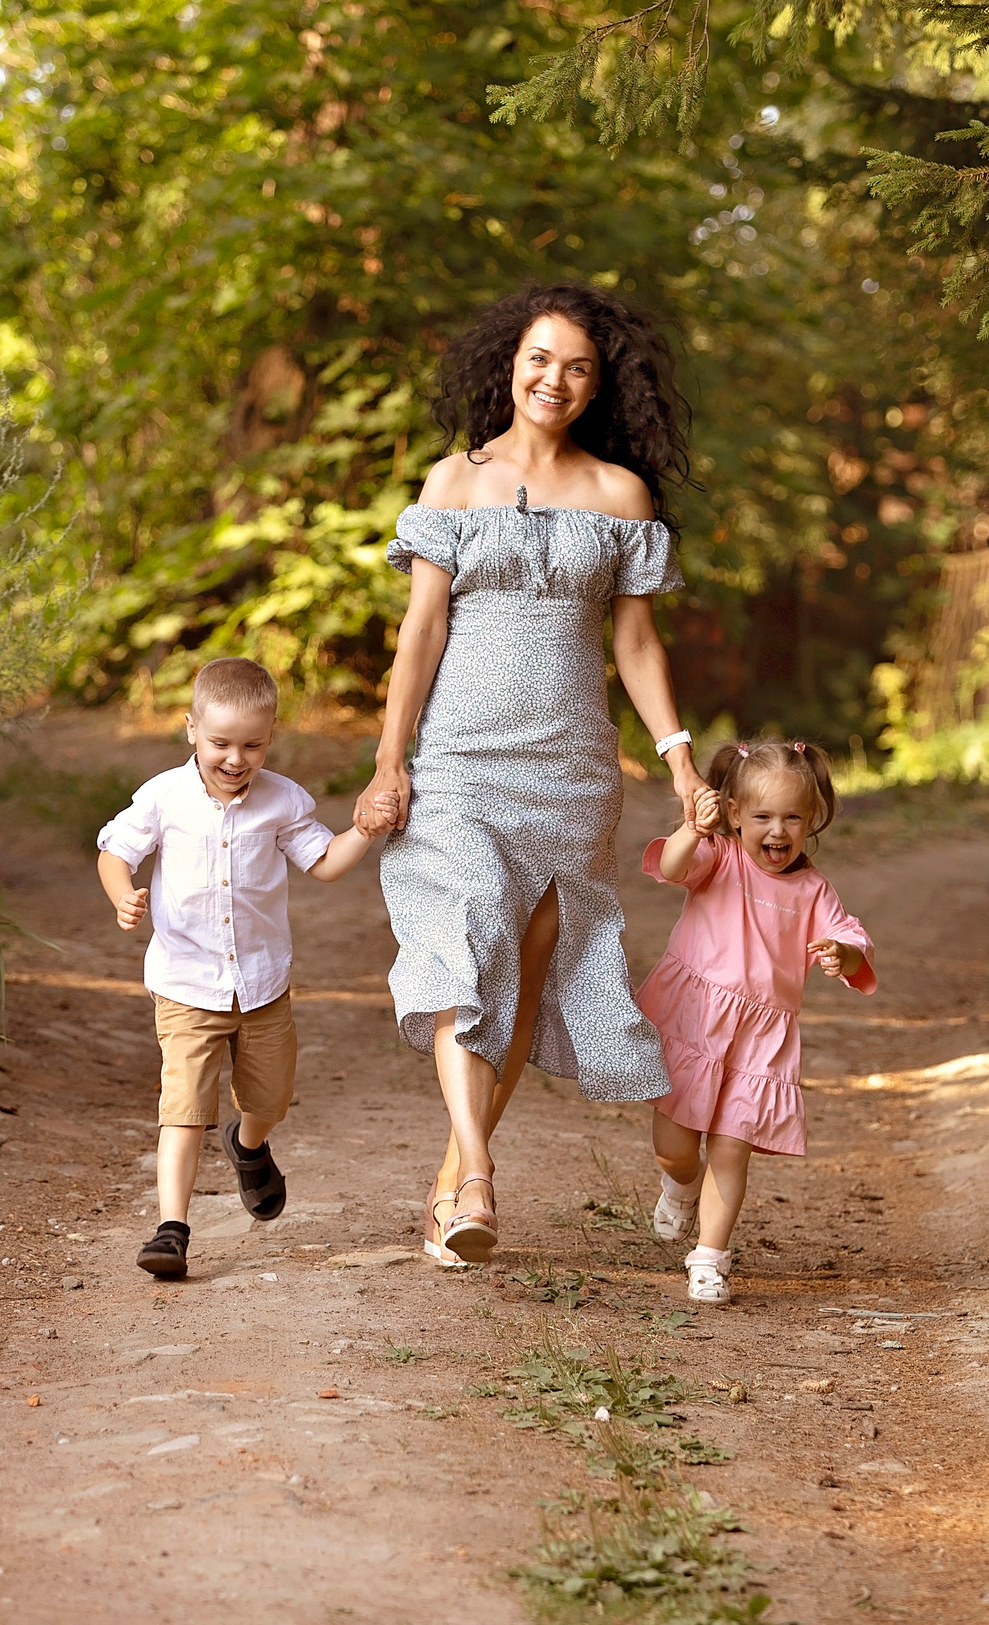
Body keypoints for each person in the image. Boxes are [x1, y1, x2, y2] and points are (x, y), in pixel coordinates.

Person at [360, 283, 708, 1267]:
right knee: (467, 941)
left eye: (577, 367)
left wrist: (680, 759)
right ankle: (479, 1174)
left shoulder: (620, 496)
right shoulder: (452, 482)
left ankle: (451, 1185)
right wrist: (391, 760)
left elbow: (636, 646)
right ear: (510, 365)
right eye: (540, 358)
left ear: (598, 386)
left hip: (570, 769)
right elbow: (420, 632)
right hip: (461, 762)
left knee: (515, 976)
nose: (555, 379)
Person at [97, 656, 396, 1279]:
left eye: (253, 746)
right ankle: (172, 1230)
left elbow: (324, 863)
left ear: (270, 737)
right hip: (185, 983)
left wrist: (364, 831)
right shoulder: (164, 797)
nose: (236, 759)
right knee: (182, 1108)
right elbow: (114, 851)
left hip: (261, 984)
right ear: (191, 730)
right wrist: (122, 894)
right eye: (220, 744)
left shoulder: (281, 801)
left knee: (270, 1099)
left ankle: (248, 1143)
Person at [640, 739, 875, 1305]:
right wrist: (692, 830)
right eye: (764, 816)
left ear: (811, 819)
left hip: (760, 1041)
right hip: (697, 1022)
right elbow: (671, 867)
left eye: (793, 817)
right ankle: (681, 1183)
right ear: (735, 812)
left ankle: (709, 1257)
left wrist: (843, 954)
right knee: (675, 1147)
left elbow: (851, 938)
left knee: (731, 1146)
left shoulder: (813, 890)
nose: (778, 830)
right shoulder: (719, 857)